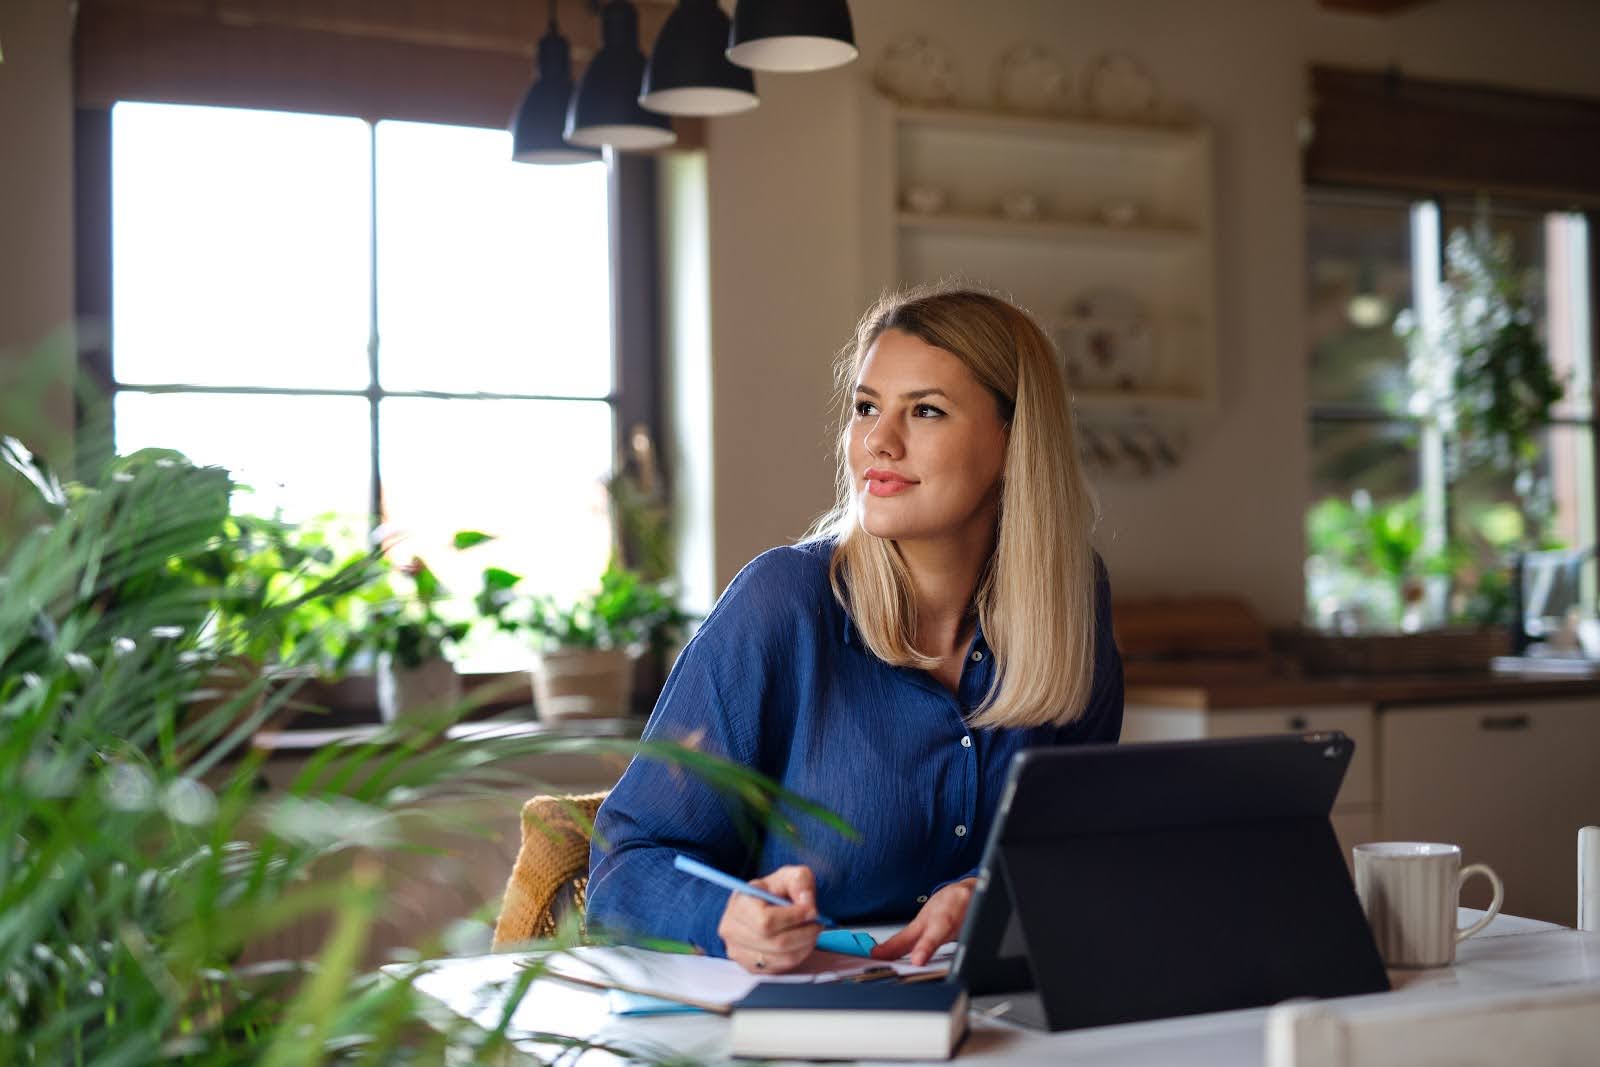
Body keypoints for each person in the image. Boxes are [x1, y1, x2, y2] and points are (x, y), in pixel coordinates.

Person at [585, 284, 1123, 973]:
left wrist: (990, 891)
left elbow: (1086, 847)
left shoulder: (1071, 599)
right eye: (866, 407)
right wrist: (727, 915)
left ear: (1014, 440)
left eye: (925, 410)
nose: (878, 441)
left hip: (999, 1023)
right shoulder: (783, 603)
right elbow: (621, 872)